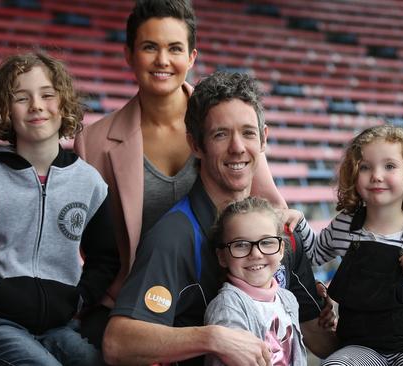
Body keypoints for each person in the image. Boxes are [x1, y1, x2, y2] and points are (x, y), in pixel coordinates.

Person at [103, 71, 335, 366]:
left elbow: (318, 337)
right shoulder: (175, 235)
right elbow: (117, 342)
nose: (237, 147)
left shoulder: (283, 232)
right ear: (196, 145)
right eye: (220, 134)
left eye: (248, 132)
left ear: (264, 139)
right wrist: (212, 338)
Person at [73, 0, 287, 313]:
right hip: (133, 301)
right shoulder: (93, 142)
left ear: (191, 58)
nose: (162, 60)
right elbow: (71, 229)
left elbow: (271, 207)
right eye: (149, 47)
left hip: (228, 294)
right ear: (129, 55)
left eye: (174, 48)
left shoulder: (226, 120)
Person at [0, 52, 119, 365]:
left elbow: (105, 259)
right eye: (21, 98)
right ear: (5, 110)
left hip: (56, 325)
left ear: (64, 103)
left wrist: (79, 297)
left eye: (47, 95)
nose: (37, 106)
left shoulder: (89, 182)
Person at [294, 124, 403, 366]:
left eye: (389, 166)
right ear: (353, 174)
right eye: (365, 167)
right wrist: (298, 221)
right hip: (360, 346)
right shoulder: (344, 226)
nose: (376, 175)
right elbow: (314, 254)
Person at [205, 197, 308, 366]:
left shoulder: (288, 299)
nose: (256, 254)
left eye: (266, 242)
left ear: (281, 250)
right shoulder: (227, 307)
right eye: (241, 245)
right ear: (222, 256)